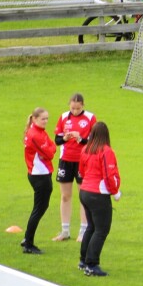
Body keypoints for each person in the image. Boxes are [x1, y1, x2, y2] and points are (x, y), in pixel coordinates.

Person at [78, 122, 121, 277]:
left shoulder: (85, 149)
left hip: (84, 191)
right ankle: (92, 264)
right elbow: (108, 175)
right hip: (98, 194)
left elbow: (81, 171)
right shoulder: (106, 151)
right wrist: (115, 192)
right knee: (101, 229)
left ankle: (83, 261)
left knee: (91, 227)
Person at [53, 93, 96, 242]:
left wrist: (81, 139)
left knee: (83, 196)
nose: (75, 111)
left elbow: (93, 141)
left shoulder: (90, 118)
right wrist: (64, 138)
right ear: (69, 105)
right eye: (72, 108)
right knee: (65, 196)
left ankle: (83, 231)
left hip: (82, 161)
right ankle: (65, 230)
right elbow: (57, 140)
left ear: (83, 106)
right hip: (65, 160)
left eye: (78, 108)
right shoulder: (64, 117)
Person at [22, 107, 56, 255]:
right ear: (35, 119)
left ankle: (27, 239)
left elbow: (52, 146)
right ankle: (28, 243)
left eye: (47, 118)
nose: (46, 121)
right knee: (39, 208)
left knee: (39, 207)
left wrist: (50, 148)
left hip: (38, 173)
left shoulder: (37, 131)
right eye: (43, 119)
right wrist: (50, 148)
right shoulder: (36, 134)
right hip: (40, 175)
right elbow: (50, 153)